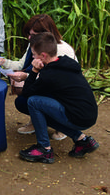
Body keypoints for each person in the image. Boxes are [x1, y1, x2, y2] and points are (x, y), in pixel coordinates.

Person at [0, 14, 76, 140]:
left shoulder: (62, 50)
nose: (30, 38)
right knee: (21, 101)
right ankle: (37, 121)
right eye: (29, 34)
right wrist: (2, 62)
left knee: (28, 95)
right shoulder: (35, 44)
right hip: (44, 85)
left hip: (62, 92)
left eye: (34, 35)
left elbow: (52, 80)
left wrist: (25, 76)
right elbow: (21, 64)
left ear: (47, 33)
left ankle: (62, 125)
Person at [17, 33, 99, 164]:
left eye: (34, 54)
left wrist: (34, 71)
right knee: (44, 112)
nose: (32, 57)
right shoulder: (65, 62)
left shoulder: (50, 74)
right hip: (88, 114)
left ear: (43, 56)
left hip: (78, 117)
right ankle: (82, 140)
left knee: (33, 102)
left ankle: (44, 149)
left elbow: (27, 93)